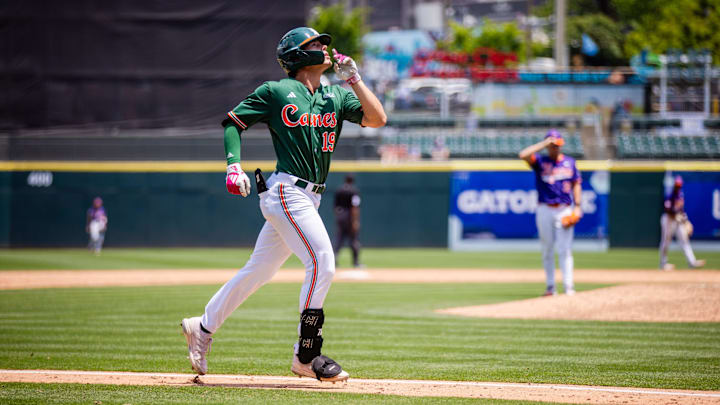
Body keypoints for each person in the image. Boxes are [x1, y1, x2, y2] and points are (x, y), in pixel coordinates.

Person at [181, 27, 386, 382]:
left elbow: (377, 119)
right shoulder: (276, 91)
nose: (324, 47)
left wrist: (354, 79)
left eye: (324, 43)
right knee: (322, 262)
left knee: (258, 271)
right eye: (315, 44)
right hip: (287, 191)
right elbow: (233, 123)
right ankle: (306, 354)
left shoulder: (335, 95)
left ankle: (201, 326)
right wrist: (233, 165)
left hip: (311, 196)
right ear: (296, 54)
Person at [519, 130, 582, 296]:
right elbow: (523, 154)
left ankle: (569, 286)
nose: (556, 149)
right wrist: (544, 144)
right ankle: (550, 286)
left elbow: (576, 183)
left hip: (564, 208)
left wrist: (578, 206)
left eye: (558, 145)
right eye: (553, 146)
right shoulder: (540, 161)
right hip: (544, 209)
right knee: (547, 249)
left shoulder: (569, 162)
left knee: (565, 249)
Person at [659, 176, 705, 271]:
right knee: (665, 242)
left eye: (679, 185)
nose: (678, 187)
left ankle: (692, 262)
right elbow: (668, 210)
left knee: (684, 241)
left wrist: (686, 222)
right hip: (668, 220)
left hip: (678, 220)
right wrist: (677, 216)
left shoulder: (680, 195)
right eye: (677, 185)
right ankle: (663, 263)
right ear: (674, 185)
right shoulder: (670, 195)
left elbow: (681, 211)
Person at [333, 175, 362, 268]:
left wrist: (339, 217)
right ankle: (356, 262)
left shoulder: (339, 190)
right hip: (349, 217)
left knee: (339, 239)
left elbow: (335, 206)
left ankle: (334, 260)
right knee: (353, 240)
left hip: (340, 216)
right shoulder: (354, 191)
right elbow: (355, 207)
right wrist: (355, 221)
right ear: (352, 180)